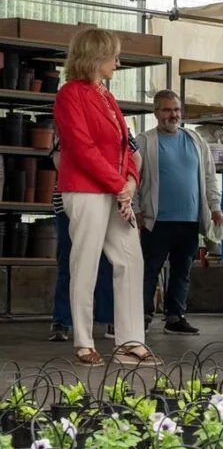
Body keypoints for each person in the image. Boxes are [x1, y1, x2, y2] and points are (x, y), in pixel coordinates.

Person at [53, 28, 155, 366]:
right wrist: (118, 183)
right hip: (84, 190)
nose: (118, 61)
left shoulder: (106, 96)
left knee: (131, 258)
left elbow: (126, 145)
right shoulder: (70, 95)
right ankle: (84, 341)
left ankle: (130, 341)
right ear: (95, 57)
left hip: (113, 191)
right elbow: (82, 149)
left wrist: (130, 179)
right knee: (84, 263)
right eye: (113, 55)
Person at [136, 90, 223, 335]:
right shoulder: (145, 141)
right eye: (166, 110)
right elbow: (131, 177)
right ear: (156, 113)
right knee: (149, 270)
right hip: (156, 221)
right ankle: (141, 316)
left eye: (176, 109)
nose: (172, 115)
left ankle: (175, 317)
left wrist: (215, 208)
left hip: (189, 219)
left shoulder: (196, 141)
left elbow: (209, 177)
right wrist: (136, 211)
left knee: (182, 271)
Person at [48, 137, 142, 342]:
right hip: (75, 200)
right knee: (70, 262)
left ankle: (111, 320)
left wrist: (125, 186)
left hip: (110, 198)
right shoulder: (74, 123)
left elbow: (135, 156)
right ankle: (63, 321)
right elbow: (58, 159)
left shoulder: (118, 127)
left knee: (110, 263)